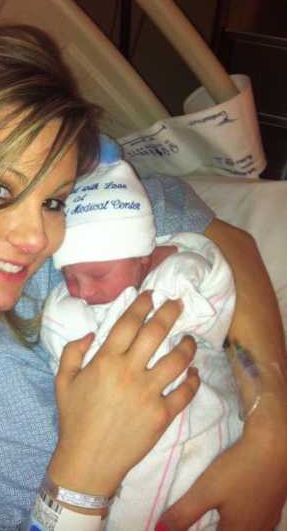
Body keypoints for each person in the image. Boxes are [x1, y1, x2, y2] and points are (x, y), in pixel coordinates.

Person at [0, 25, 285, 531]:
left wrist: (271, 433)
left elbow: (227, 241)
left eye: (52, 198)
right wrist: (81, 479)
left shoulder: (84, 233)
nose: (38, 238)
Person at [41, 147, 242, 529]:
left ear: (143, 259)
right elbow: (60, 341)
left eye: (97, 277)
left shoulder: (177, 272)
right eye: (70, 277)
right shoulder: (71, 304)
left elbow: (212, 299)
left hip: (193, 417)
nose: (82, 291)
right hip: (109, 443)